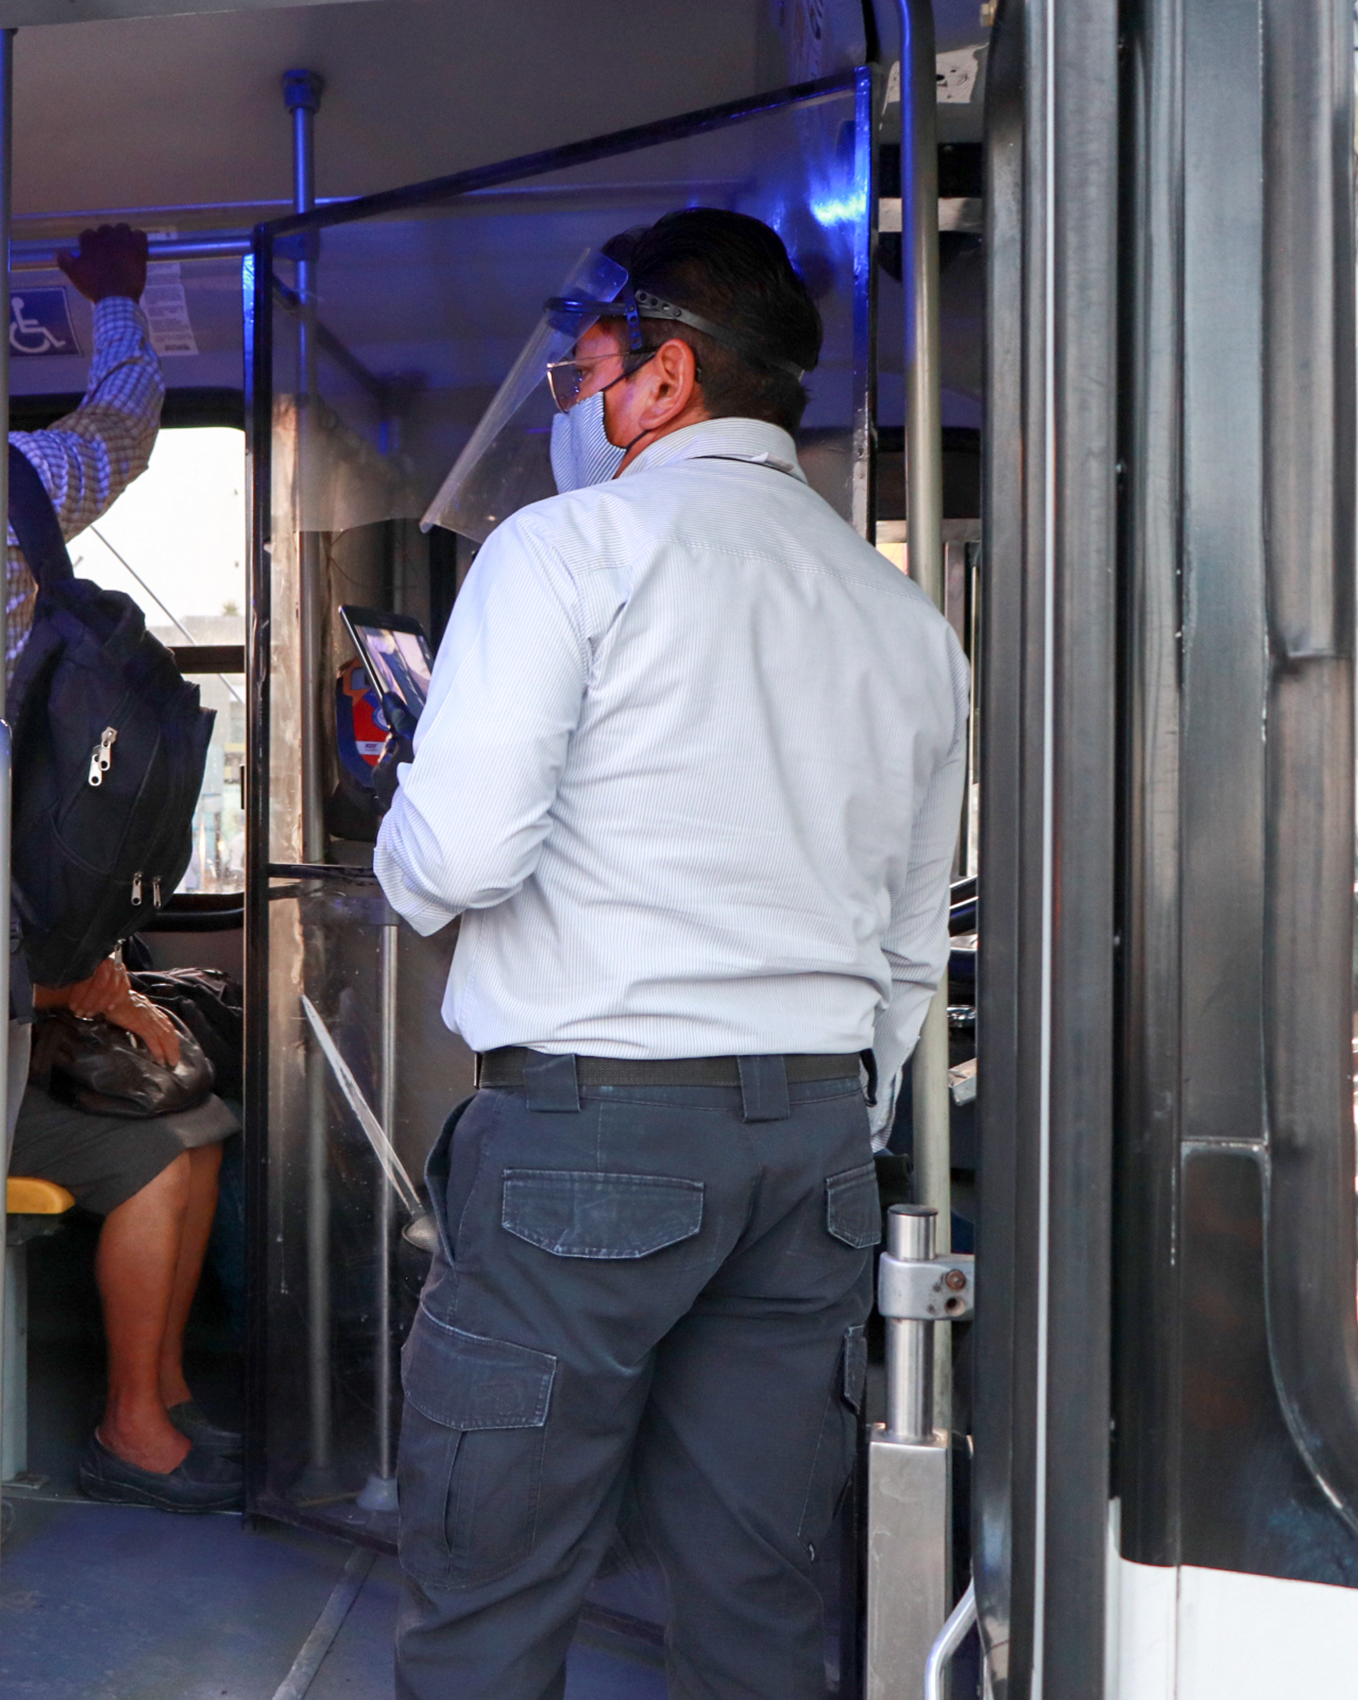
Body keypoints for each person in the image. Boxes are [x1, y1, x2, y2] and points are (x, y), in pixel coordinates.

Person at [371, 207, 970, 1698]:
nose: (570, 412)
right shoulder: (905, 621)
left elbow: (453, 862)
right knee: (757, 1601)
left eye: (580, 379)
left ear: (664, 377)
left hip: (587, 1132)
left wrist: (400, 805)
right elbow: (908, 940)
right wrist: (841, 1120)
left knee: (492, 1591)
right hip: (818, 1146)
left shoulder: (568, 548)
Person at [0, 233, 243, 1513]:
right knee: (167, 1139)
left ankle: (169, 1398)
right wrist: (114, 300)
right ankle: (135, 1419)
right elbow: (123, 423)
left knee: (190, 1122)